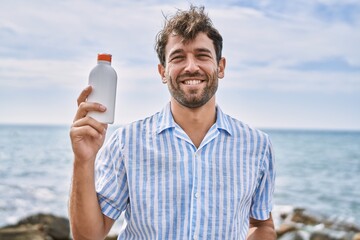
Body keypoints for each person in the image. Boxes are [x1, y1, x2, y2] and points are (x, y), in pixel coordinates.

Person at [69, 5, 276, 240]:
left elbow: (261, 224)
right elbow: (88, 236)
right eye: (178, 57)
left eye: (202, 55)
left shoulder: (257, 145)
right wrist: (83, 160)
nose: (191, 67)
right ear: (163, 72)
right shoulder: (126, 143)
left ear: (220, 67)